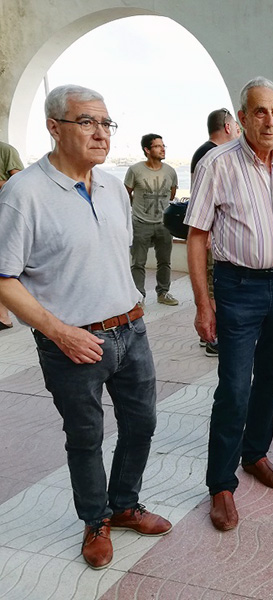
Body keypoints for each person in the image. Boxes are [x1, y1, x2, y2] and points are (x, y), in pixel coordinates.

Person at [0, 84, 171, 569]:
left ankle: (124, 505)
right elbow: (4, 279)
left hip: (131, 329)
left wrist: (134, 314)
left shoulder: (114, 185)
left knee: (142, 424)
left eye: (106, 123)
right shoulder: (24, 194)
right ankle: (95, 519)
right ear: (55, 128)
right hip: (73, 342)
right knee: (86, 436)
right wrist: (59, 331)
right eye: (87, 122)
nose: (101, 134)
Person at [185, 77, 273, 531]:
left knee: (272, 377)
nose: (270, 120)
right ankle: (221, 484)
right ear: (240, 117)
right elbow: (197, 236)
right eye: (260, 111)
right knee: (235, 386)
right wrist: (204, 304)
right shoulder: (217, 164)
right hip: (239, 287)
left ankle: (255, 453)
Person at [190, 108, 241, 357]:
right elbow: (201, 202)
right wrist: (207, 232)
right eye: (238, 128)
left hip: (209, 233)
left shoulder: (203, 151)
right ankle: (214, 338)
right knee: (212, 286)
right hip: (210, 235)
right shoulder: (211, 155)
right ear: (228, 127)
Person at [125, 134, 179, 307]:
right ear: (147, 150)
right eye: (157, 146)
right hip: (140, 223)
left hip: (164, 225)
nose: (163, 149)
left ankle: (163, 292)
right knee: (138, 263)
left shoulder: (170, 171)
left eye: (163, 145)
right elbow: (126, 194)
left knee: (164, 261)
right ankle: (138, 297)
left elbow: (171, 195)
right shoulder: (135, 170)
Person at [0, 141, 24, 330]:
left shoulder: (6, 150)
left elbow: (20, 184)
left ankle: (3, 317)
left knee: (4, 267)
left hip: (4, 215)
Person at [190, 108, 241, 175]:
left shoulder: (202, 152)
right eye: (235, 127)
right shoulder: (216, 155)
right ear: (228, 128)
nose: (238, 132)